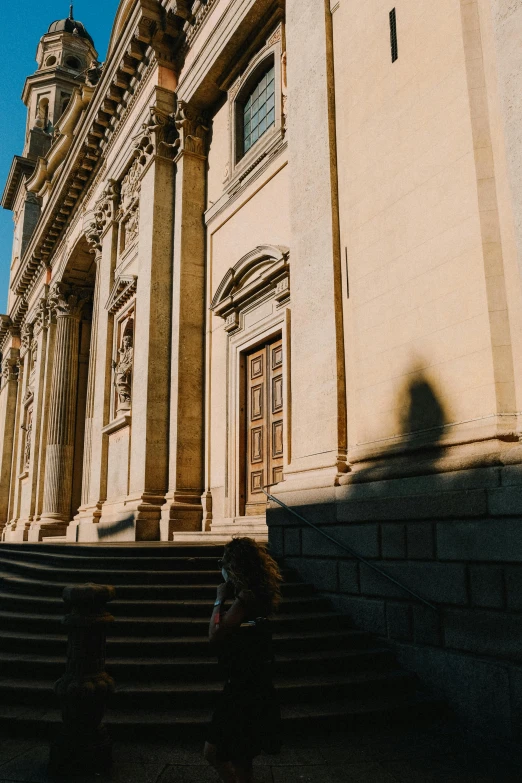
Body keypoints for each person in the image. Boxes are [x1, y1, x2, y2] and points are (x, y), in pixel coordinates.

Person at [204, 537, 283, 783]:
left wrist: (219, 599)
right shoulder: (257, 593)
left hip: (241, 687)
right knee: (240, 757)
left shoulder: (246, 597)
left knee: (219, 753)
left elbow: (215, 633)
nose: (222, 567)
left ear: (235, 565)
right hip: (252, 682)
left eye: (223, 561)